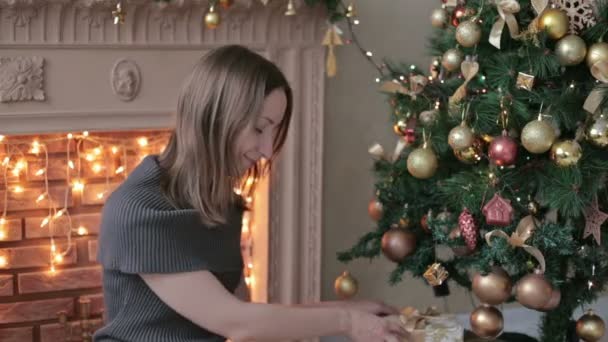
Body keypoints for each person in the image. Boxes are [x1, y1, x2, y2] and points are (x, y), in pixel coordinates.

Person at [94, 45, 410, 342]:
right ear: (214, 118)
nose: (268, 151)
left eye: (275, 132)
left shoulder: (221, 204)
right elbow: (236, 321)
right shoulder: (141, 210)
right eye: (259, 128)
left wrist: (346, 309)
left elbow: (244, 311)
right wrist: (346, 322)